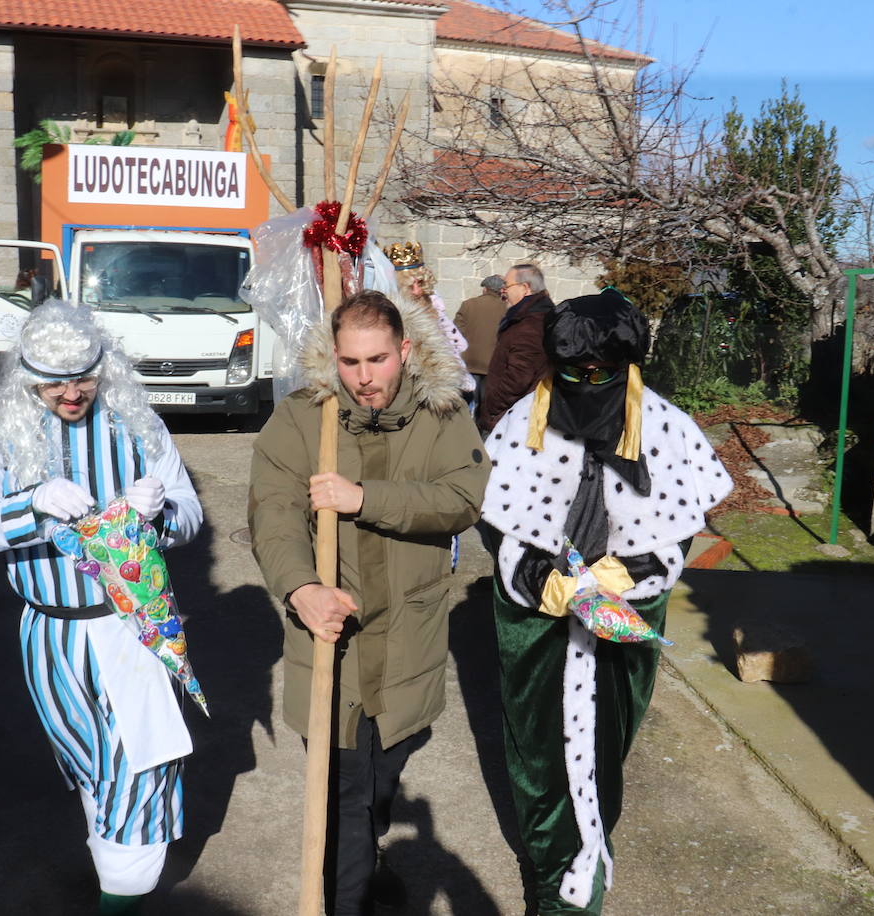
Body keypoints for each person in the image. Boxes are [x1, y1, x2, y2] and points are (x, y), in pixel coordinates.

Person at [481, 289, 733, 915]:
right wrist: (534, 573)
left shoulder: (666, 426)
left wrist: (640, 569)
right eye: (572, 373)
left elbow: (680, 527)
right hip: (536, 625)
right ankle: (555, 885)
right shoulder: (525, 422)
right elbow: (495, 522)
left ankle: (589, 850)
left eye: (602, 374)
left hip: (625, 622)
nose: (586, 386)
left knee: (606, 747)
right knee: (537, 756)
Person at [0, 300, 203, 915]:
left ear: (104, 365)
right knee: (95, 772)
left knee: (140, 770)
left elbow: (190, 516)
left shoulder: (140, 426)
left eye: (83, 376)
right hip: (49, 634)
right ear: (27, 378)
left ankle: (120, 899)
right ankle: (112, 876)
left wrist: (158, 516)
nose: (71, 392)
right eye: (53, 381)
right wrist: (30, 505)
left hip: (133, 628)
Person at [248, 291, 489, 915]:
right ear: (334, 356)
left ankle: (371, 841)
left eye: (377, 360)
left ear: (404, 351)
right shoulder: (304, 418)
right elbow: (272, 516)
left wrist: (365, 498)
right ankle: (345, 897)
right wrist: (302, 590)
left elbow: (464, 498)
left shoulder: (442, 416)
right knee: (341, 796)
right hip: (334, 647)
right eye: (350, 362)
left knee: (384, 779)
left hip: (408, 641)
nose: (363, 379)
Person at [476, 262, 554, 435]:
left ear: (525, 288)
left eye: (507, 286)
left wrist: (491, 407)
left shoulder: (531, 323)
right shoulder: (526, 317)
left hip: (511, 420)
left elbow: (518, 378)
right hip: (510, 415)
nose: (503, 291)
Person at [387, 241, 475, 394]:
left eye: (420, 283)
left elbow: (459, 346)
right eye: (409, 286)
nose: (417, 291)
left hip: (457, 387)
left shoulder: (434, 306)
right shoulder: (393, 318)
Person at [453, 274, 506, 415]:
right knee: (486, 407)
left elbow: (456, 332)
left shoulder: (468, 304)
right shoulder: (505, 309)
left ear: (485, 289)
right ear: (501, 291)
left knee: (464, 405)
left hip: (468, 362)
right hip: (491, 365)